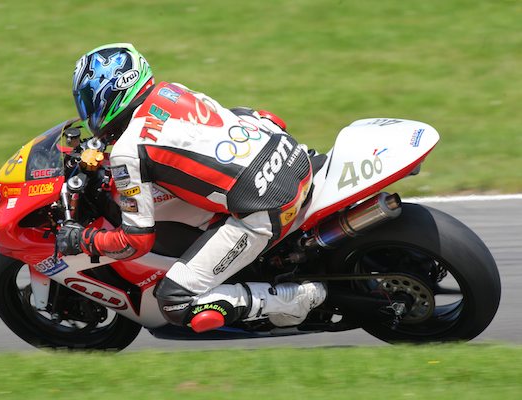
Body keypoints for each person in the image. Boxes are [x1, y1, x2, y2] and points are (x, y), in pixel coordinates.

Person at [57, 43, 326, 333]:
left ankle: (291, 301)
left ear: (108, 93)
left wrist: (85, 240)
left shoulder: (128, 151)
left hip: (267, 204)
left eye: (88, 100)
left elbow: (135, 241)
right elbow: (233, 116)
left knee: (174, 301)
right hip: (291, 157)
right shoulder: (170, 92)